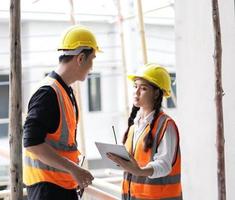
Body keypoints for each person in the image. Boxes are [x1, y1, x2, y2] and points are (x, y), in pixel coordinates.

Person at [23, 25, 101, 200]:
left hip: (60, 186)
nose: (92, 67)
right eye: (92, 59)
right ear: (81, 58)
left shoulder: (64, 91)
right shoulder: (48, 93)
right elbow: (31, 143)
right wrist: (74, 169)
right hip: (47, 190)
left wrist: (73, 172)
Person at [107, 63, 182, 200]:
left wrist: (139, 171)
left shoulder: (166, 125)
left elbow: (164, 165)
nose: (136, 92)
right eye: (135, 86)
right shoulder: (134, 126)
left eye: (143, 88)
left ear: (156, 93)